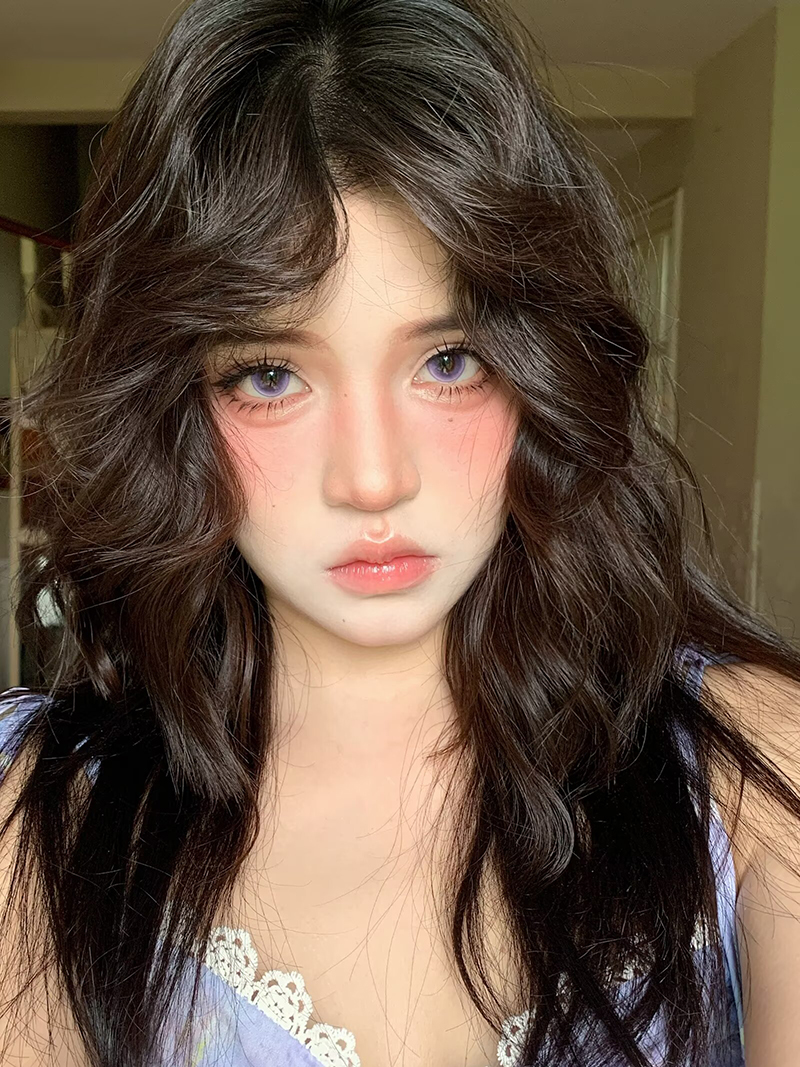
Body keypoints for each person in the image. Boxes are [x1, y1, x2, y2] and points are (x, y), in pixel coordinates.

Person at [0, 0, 799, 1064]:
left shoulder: (751, 768)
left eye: (448, 362)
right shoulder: (37, 821)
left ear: (542, 376)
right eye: (269, 375)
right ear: (174, 405)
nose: (373, 477)